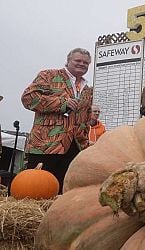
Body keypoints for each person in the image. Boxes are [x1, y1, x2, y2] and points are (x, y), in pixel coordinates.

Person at [21, 48, 93, 194]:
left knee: (63, 190)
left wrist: (85, 143)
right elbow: (28, 99)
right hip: (46, 144)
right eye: (77, 60)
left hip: (75, 146)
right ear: (67, 61)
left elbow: (86, 117)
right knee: (36, 190)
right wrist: (61, 103)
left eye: (85, 62)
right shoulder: (48, 75)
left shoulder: (87, 89)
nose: (82, 64)